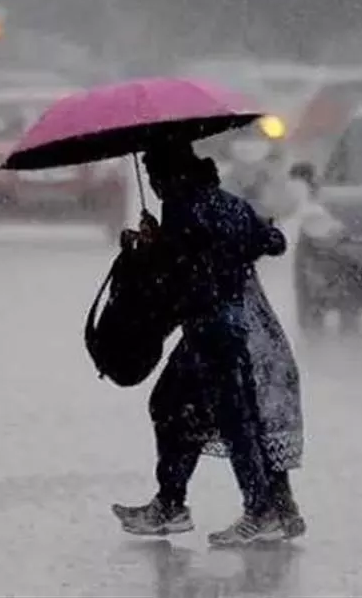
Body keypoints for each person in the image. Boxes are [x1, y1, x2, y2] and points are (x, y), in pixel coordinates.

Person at [112, 142, 305, 547]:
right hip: (238, 325)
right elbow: (273, 242)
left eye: (155, 177)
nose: (154, 186)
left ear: (171, 176)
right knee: (188, 409)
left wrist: (147, 248)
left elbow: (174, 273)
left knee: (229, 419)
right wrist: (242, 239)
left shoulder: (185, 209)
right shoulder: (228, 205)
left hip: (210, 329)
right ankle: (179, 502)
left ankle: (257, 508)